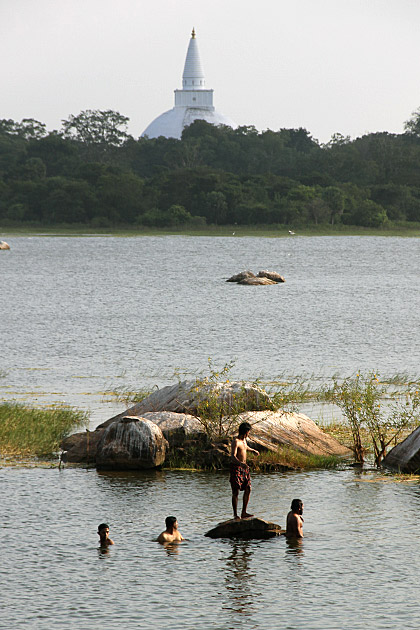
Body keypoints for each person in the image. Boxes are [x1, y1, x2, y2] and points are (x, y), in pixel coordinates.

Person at [230, 421, 259, 520]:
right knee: (236, 491)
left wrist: (253, 451)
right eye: (248, 432)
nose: (249, 434)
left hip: (244, 469)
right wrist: (240, 463)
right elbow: (233, 456)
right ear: (245, 432)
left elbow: (245, 447)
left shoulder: (244, 441)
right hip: (237, 468)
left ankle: (244, 512)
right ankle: (235, 514)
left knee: (248, 488)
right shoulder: (236, 441)